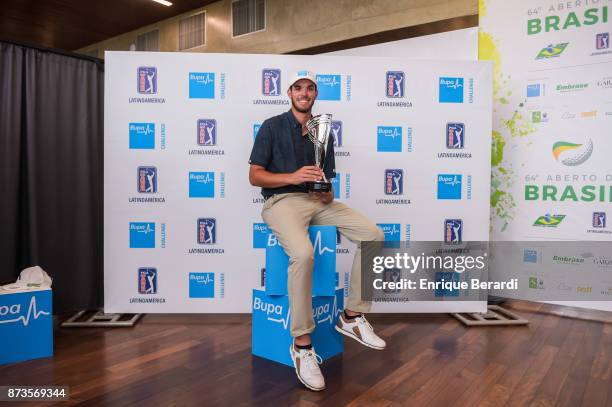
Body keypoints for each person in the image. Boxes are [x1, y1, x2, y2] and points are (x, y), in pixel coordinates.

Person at [248, 70, 386, 391]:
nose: (304, 93)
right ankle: (302, 346)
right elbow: (255, 176)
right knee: (303, 254)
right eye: (299, 88)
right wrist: (294, 176)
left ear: (315, 95)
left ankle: (351, 316)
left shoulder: (323, 132)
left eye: (310, 88)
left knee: (373, 235)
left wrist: (325, 191)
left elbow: (329, 189)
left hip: (316, 202)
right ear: (290, 93)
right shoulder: (271, 126)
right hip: (281, 202)